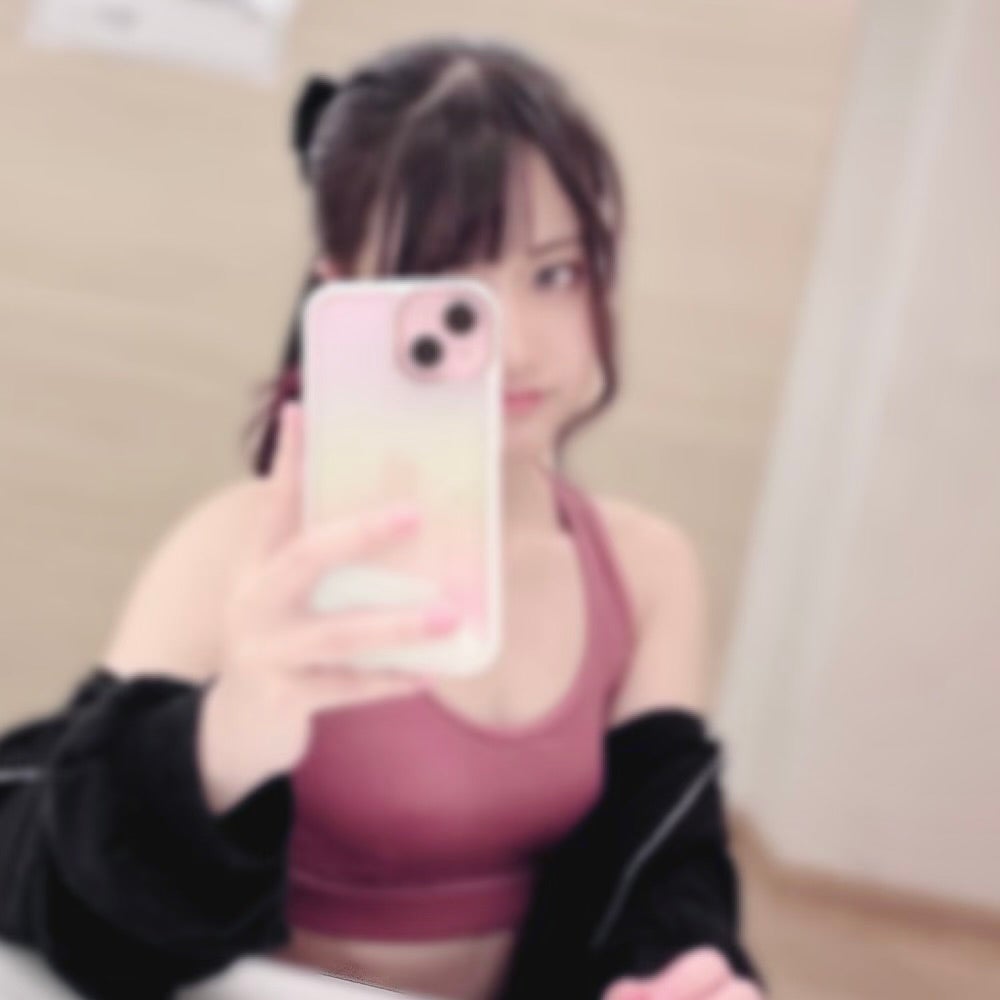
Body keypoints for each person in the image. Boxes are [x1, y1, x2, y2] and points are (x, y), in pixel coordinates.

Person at [0, 38, 765, 1000]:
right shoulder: (236, 548)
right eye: (449, 284)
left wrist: (680, 973)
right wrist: (227, 733)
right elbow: (63, 885)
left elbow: (663, 868)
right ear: (343, 292)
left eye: (556, 274)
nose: (515, 347)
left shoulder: (646, 569)